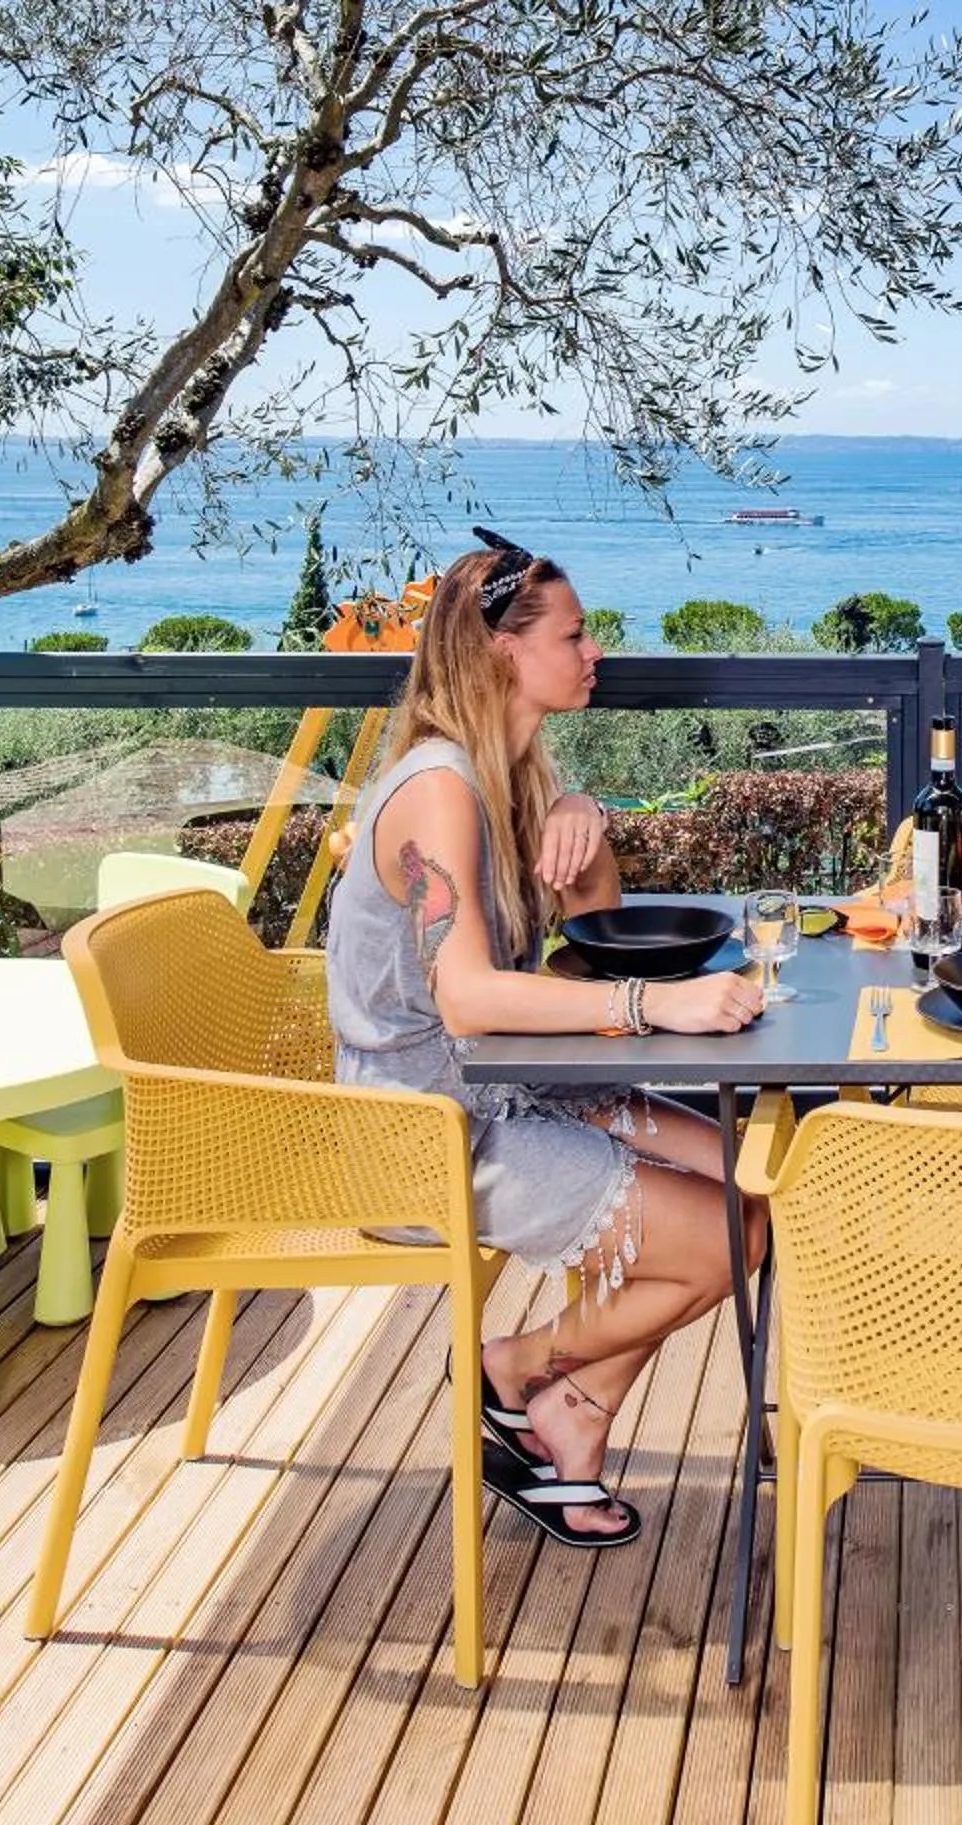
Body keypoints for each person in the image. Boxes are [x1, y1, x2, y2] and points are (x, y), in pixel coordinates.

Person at [327, 528, 765, 1551]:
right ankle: (517, 1371)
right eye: (574, 634)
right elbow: (474, 997)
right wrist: (656, 1011)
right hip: (430, 1125)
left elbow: (592, 932)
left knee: (759, 1187)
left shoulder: (507, 771)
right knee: (729, 1239)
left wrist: (581, 815)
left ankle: (566, 1399)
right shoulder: (439, 787)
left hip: (510, 1088)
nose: (594, 651)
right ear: (500, 653)